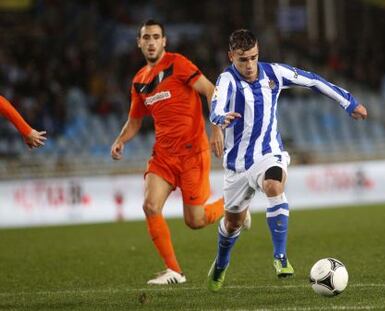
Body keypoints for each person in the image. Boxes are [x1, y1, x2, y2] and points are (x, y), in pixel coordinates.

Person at [207, 29, 368, 292]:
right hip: (236, 164)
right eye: (242, 60)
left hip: (270, 152)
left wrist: (349, 102)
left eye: (253, 57)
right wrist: (219, 118)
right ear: (231, 57)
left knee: (274, 185)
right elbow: (216, 106)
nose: (249, 65)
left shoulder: (274, 73)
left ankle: (280, 257)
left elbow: (313, 81)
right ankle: (221, 264)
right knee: (232, 223)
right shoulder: (226, 80)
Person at [111, 19, 226, 285]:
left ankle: (234, 208)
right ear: (139, 42)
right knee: (150, 206)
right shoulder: (139, 81)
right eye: (146, 37)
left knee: (195, 221)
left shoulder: (178, 64)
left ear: (164, 41)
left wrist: (216, 129)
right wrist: (120, 140)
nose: (151, 42)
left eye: (155, 37)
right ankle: (174, 270)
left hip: (192, 153)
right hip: (163, 155)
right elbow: (135, 121)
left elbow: (211, 91)